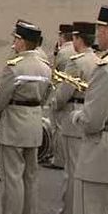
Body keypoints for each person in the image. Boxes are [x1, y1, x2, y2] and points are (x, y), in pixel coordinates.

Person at [0, 21, 52, 214]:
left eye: (15, 39)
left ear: (22, 41)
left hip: (14, 123)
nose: (13, 43)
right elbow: (46, 95)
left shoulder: (15, 67)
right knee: (29, 179)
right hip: (34, 124)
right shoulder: (45, 66)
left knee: (12, 179)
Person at [71, 5, 108, 214]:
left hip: (100, 153)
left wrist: (76, 115)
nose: (97, 34)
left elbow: (92, 122)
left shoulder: (106, 68)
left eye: (100, 29)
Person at [42, 21, 98, 214]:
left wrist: (54, 104)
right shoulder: (97, 59)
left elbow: (64, 93)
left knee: (72, 170)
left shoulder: (77, 62)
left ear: (77, 38)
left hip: (72, 116)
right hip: (88, 113)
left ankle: (68, 213)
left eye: (74, 38)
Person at [44, 24, 78, 170]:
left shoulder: (64, 52)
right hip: (77, 98)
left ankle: (58, 159)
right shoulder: (75, 51)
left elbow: (55, 72)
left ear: (62, 36)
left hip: (64, 93)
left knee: (57, 128)